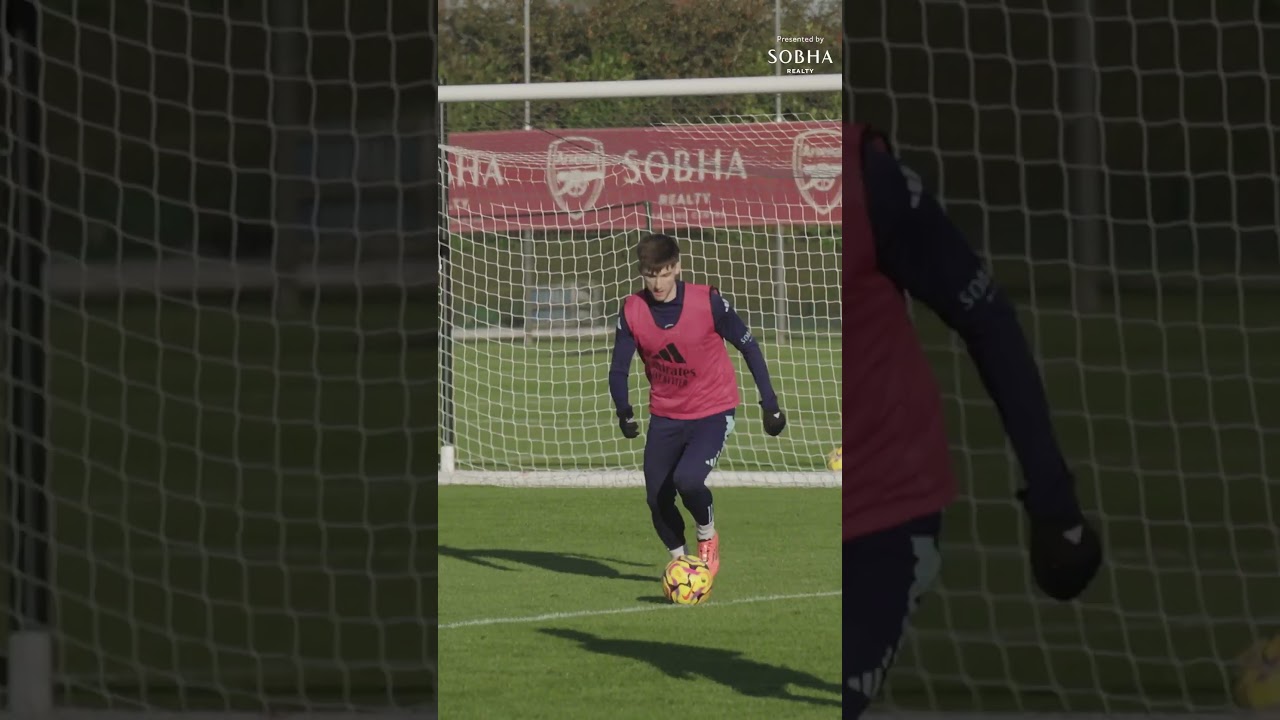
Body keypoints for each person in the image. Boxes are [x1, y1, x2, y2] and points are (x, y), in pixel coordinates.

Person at [842, 124, 1103, 717]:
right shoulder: (686, 182)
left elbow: (987, 319)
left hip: (884, 512)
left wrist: (1054, 502)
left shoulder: (862, 180)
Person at [609, 233, 787, 576]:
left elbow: (748, 346)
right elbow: (618, 368)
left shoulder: (708, 302)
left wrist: (770, 403)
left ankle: (707, 534)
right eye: (649, 273)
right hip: (665, 415)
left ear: (676, 267)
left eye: (663, 272)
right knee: (656, 499)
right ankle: (682, 565)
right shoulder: (633, 310)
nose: (657, 282)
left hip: (713, 411)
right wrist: (623, 410)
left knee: (688, 480)